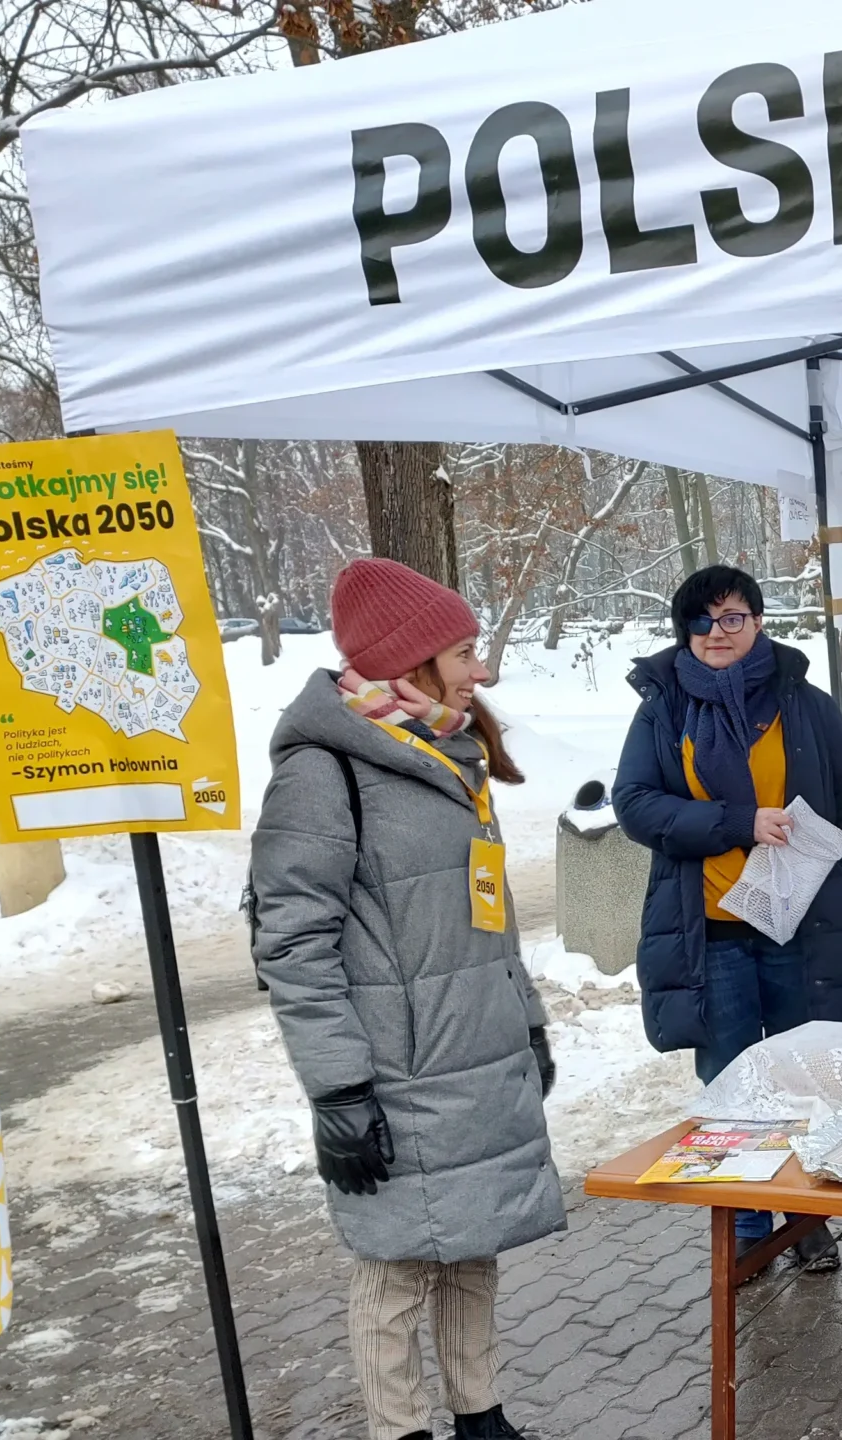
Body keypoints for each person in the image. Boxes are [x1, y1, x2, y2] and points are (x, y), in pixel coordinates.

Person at [252, 557, 562, 1440]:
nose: (479, 669)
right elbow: (292, 945)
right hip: (393, 1071)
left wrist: (527, 1022)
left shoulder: (448, 749)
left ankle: (482, 1419)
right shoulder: (326, 771)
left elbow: (486, 914)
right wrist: (339, 1091)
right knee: (394, 1269)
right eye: (464, 651)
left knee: (472, 1247)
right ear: (411, 659)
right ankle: (401, 1432)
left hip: (475, 1050)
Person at [615, 564, 842, 1270]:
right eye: (701, 621)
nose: (716, 633)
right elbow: (635, 803)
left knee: (802, 1076)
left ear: (758, 621)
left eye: (732, 617)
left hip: (801, 928)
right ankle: (745, 1227)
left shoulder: (804, 703)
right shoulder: (663, 708)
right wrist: (737, 822)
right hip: (712, 932)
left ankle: (806, 1214)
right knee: (732, 1082)